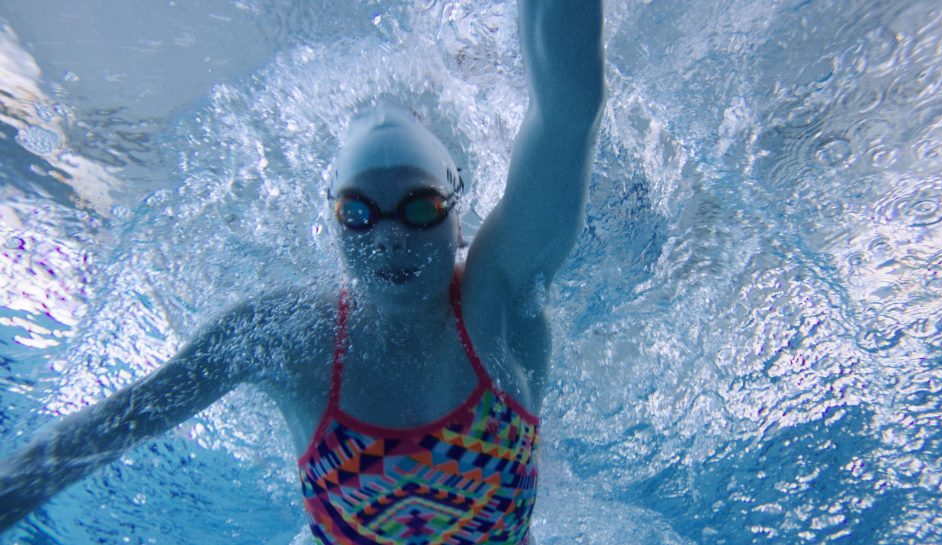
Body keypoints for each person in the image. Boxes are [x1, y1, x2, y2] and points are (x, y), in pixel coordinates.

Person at [0, 0, 604, 542]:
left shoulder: (494, 300)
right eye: (360, 212)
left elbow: (568, 112)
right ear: (334, 224)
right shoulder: (289, 336)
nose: (390, 238)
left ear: (455, 216)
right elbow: (117, 424)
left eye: (419, 208)